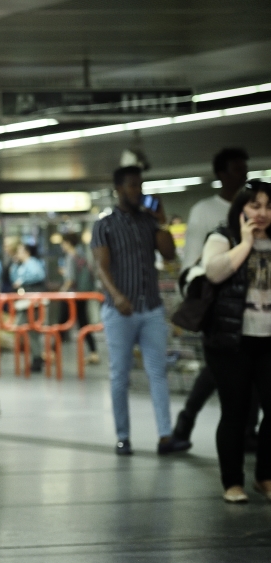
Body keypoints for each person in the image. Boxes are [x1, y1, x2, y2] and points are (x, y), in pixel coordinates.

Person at [91, 165, 190, 456]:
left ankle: (165, 437)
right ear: (119, 190)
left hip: (151, 309)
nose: (138, 191)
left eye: (140, 185)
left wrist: (161, 221)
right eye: (132, 186)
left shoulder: (149, 223)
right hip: (119, 311)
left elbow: (169, 253)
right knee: (119, 375)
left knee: (157, 372)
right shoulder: (105, 225)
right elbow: (101, 267)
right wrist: (117, 296)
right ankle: (123, 437)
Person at [173, 148, 252, 444]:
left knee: (249, 370)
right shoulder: (204, 211)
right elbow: (192, 263)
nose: (243, 175)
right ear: (221, 174)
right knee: (218, 370)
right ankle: (188, 419)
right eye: (236, 169)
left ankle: (247, 431)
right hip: (219, 306)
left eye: (245, 169)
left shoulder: (254, 209)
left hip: (252, 308)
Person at [198, 181, 271, 503]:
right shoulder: (220, 237)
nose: (263, 213)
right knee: (236, 412)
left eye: (269, 207)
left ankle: (265, 476)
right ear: (241, 207)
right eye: (256, 206)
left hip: (269, 340)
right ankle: (233, 482)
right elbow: (213, 273)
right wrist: (244, 243)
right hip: (231, 341)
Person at [60, 232, 99, 364]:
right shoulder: (82, 254)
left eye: (63, 243)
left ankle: (52, 352)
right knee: (83, 323)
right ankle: (94, 352)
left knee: (62, 322)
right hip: (83, 294)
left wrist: (62, 291)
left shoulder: (71, 256)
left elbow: (71, 279)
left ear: (68, 243)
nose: (61, 246)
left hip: (73, 295)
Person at [9, 243, 48, 373]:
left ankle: (38, 358)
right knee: (26, 330)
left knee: (32, 331)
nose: (18, 254)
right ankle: (37, 357)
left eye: (20, 251)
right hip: (23, 302)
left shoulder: (33, 264)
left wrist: (24, 281)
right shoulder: (20, 266)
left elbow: (38, 276)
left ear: (26, 252)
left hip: (33, 302)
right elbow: (14, 279)